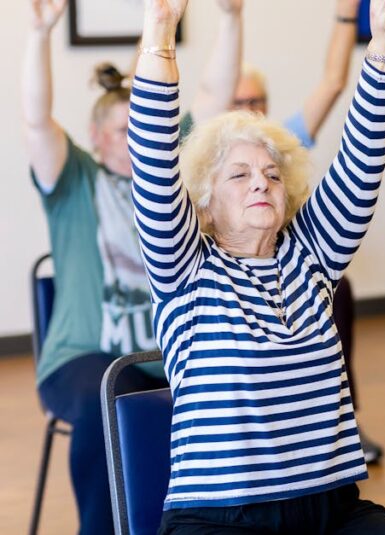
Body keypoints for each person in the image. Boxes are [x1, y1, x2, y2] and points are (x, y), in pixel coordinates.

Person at [128, 0, 385, 532]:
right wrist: (159, 38)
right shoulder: (186, 271)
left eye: (272, 174)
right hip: (220, 518)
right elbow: (151, 159)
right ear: (204, 202)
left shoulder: (311, 256)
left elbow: (362, 159)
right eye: (239, 175)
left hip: (332, 509)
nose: (261, 181)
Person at [21, 0, 240, 531]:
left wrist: (232, 18)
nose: (134, 138)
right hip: (84, 358)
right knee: (112, 397)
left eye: (138, 128)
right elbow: (35, 119)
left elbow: (215, 99)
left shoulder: (172, 179)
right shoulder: (73, 179)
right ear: (97, 137)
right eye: (122, 130)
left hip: (165, 355)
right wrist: (40, 35)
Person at [203, 0, 385, 463]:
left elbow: (334, 84)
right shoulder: (208, 163)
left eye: (256, 101)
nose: (259, 181)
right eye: (238, 102)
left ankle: (341, 415)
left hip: (291, 277)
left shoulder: (280, 146)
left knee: (336, 289)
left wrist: (355, 17)